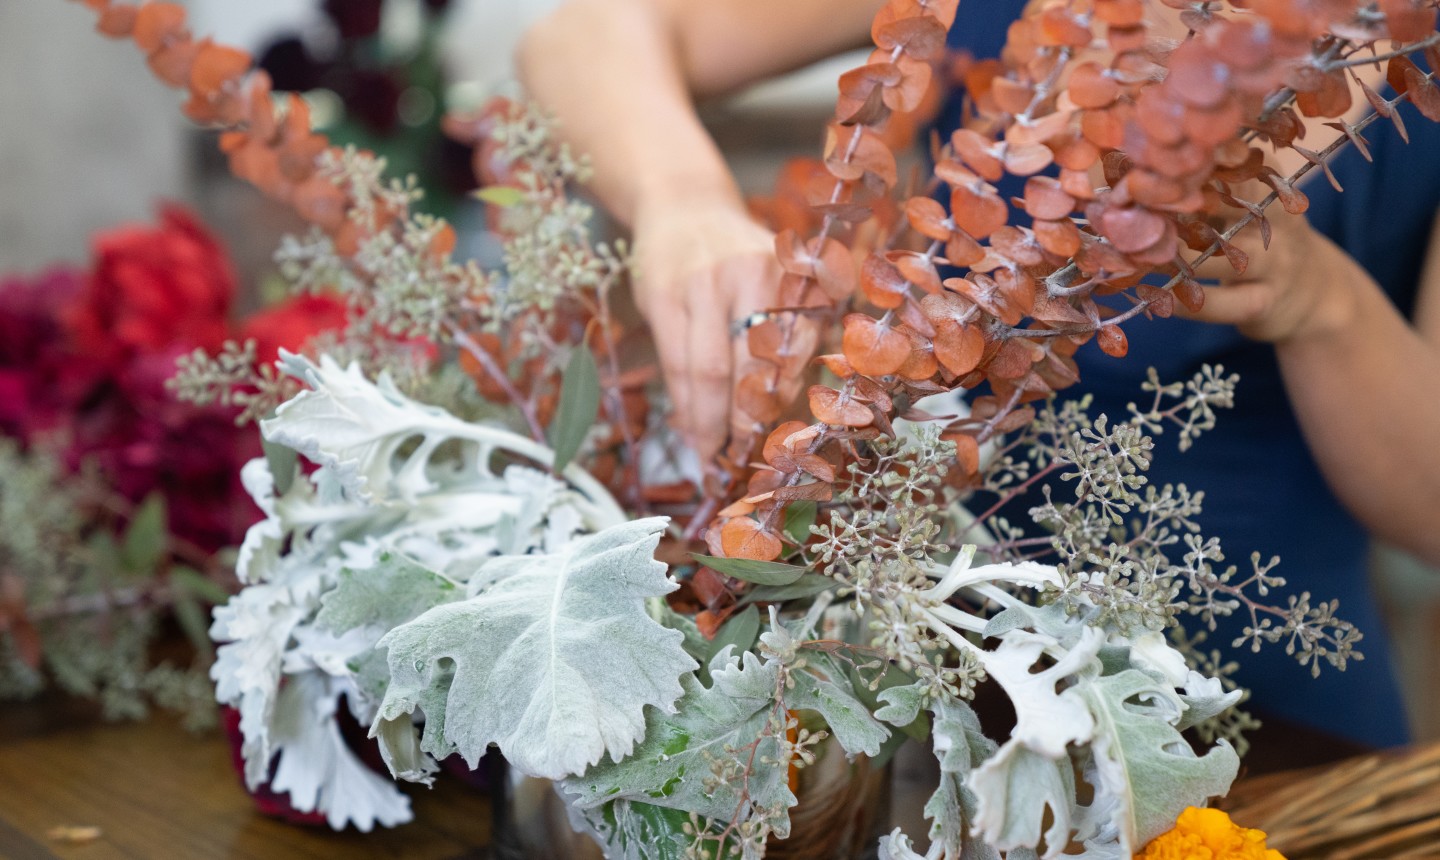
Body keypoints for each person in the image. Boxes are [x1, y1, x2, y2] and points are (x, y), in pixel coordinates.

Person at [518, 0, 1440, 746]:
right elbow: (584, 33)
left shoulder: (1414, 46)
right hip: (917, 694)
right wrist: (682, 199)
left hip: (1260, 728)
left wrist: (1325, 305)